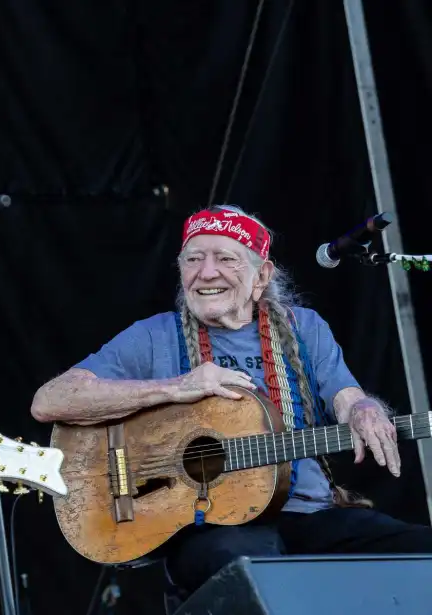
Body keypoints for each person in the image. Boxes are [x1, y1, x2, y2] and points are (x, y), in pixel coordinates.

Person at [29, 204, 432, 594]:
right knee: (254, 570)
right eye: (193, 259)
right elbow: (50, 401)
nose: (206, 273)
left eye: (226, 258)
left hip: (311, 518)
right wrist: (176, 387)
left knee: (420, 552)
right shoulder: (153, 336)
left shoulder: (303, 327)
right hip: (216, 532)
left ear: (262, 276)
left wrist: (364, 409)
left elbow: (347, 398)